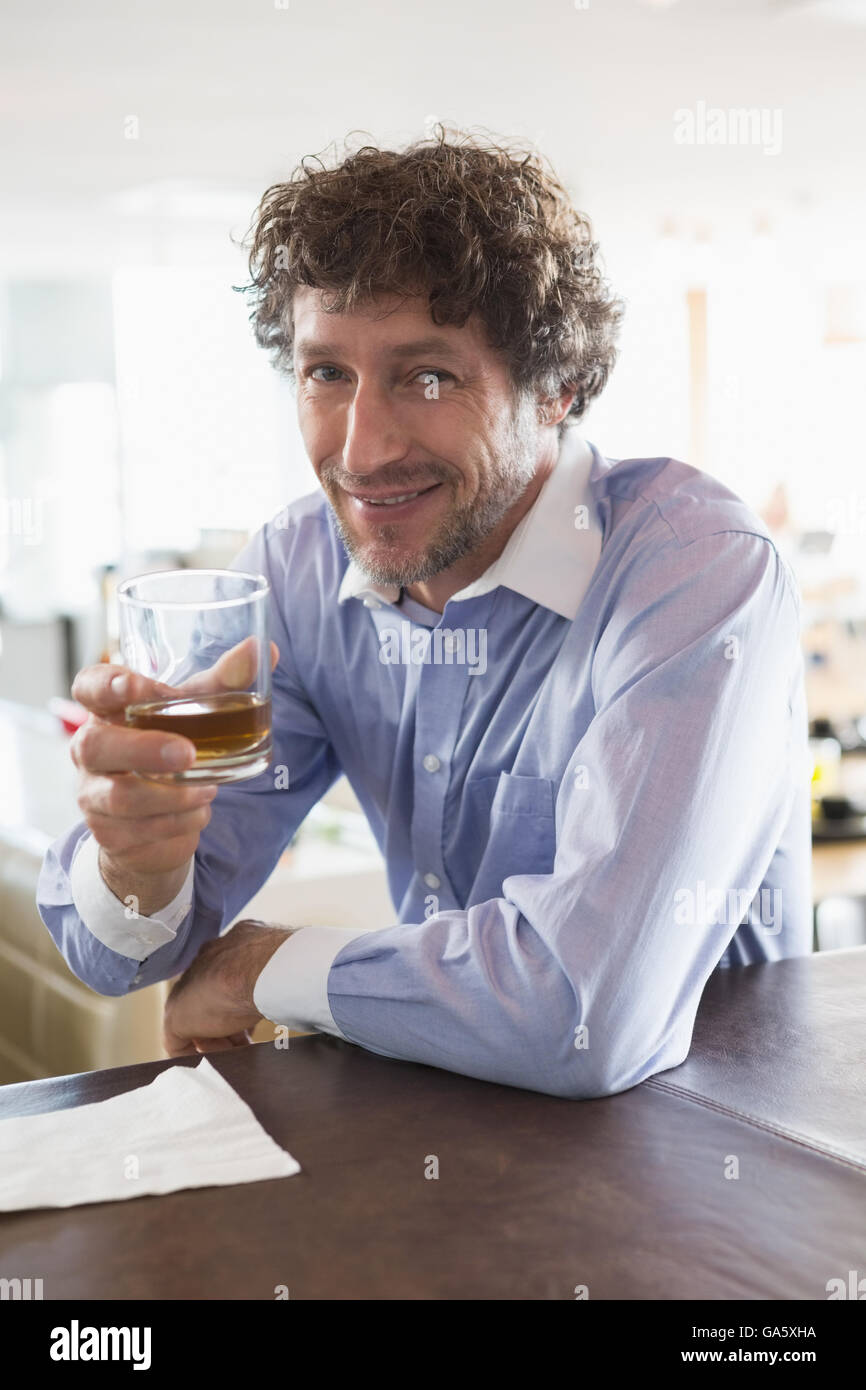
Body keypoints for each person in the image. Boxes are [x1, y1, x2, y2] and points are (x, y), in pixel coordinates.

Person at [37, 130, 811, 1099]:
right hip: (448, 1146)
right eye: (327, 373)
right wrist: (137, 864)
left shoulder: (690, 567)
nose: (361, 449)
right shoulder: (295, 567)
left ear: (556, 385)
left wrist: (259, 965)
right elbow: (116, 957)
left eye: (427, 375)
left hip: (723, 1162)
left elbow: (584, 1013)